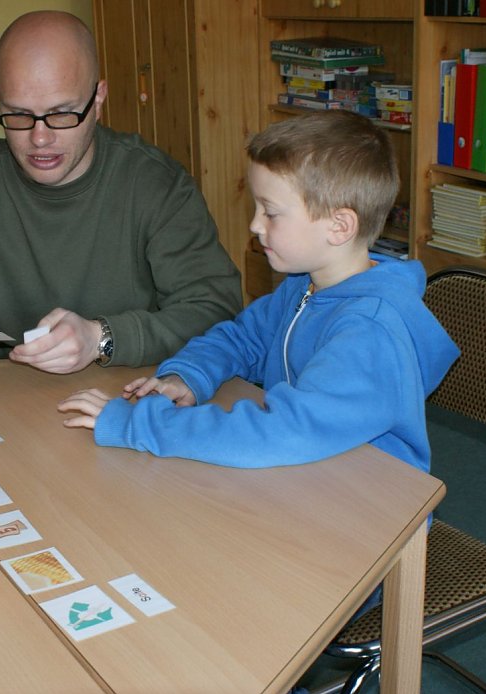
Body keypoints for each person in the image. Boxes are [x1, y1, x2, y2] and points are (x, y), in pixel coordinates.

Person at [58, 110, 460, 474]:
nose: (254, 224)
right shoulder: (306, 286)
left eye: (270, 212)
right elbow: (241, 338)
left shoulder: (369, 332)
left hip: (370, 510)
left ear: (339, 227)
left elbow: (282, 432)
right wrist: (189, 374)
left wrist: (137, 425)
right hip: (309, 475)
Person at [0, 10, 241, 380]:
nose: (39, 137)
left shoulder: (156, 184)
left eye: (62, 114)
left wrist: (103, 338)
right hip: (5, 396)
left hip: (127, 391)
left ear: (98, 99)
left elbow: (215, 308)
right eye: (18, 114)